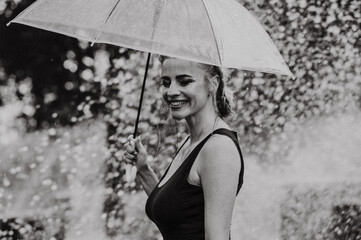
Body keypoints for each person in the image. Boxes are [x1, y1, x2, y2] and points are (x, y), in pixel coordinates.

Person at [122, 56, 244, 240]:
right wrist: (143, 170)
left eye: (184, 81)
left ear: (213, 83)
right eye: (166, 82)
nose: (171, 91)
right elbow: (177, 216)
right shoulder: (189, 142)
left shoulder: (218, 148)